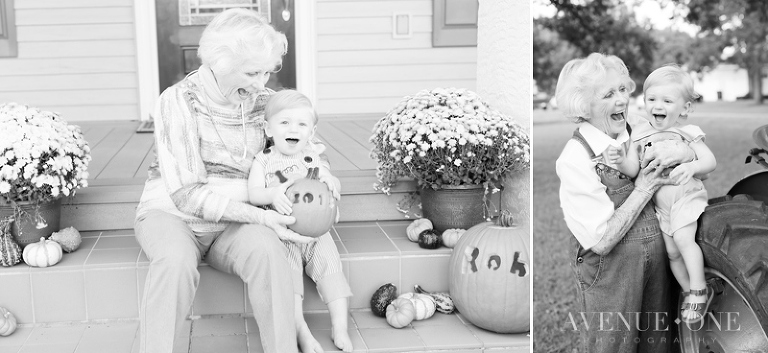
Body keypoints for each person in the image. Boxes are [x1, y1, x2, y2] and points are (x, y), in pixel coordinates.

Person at [134, 9, 319, 353]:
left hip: (233, 223)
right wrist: (263, 216)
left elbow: (301, 152)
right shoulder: (178, 100)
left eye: (266, 72)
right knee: (174, 261)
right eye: (251, 72)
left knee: (267, 250)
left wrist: (319, 184)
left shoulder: (264, 103)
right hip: (172, 215)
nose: (261, 84)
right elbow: (186, 195)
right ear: (218, 62)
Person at [554, 53, 696, 353]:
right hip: (612, 274)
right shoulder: (576, 157)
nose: (622, 100)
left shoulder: (640, 131)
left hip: (658, 265)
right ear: (584, 105)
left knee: (657, 346)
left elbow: (690, 147)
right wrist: (644, 188)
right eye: (608, 94)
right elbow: (601, 241)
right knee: (613, 346)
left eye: (623, 89)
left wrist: (685, 154)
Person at [248, 89, 353, 353]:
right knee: (289, 278)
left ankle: (339, 326)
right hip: (282, 232)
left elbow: (331, 181)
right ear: (268, 129)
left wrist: (331, 181)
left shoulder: (313, 156)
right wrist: (272, 193)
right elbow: (253, 193)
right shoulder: (264, 161)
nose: (293, 128)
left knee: (330, 265)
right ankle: (300, 330)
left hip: (317, 231)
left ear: (311, 132)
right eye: (284, 122)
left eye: (301, 124)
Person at [610, 64, 716, 324]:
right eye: (652, 99)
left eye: (668, 100)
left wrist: (691, 166)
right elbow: (635, 169)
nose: (658, 105)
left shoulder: (687, 133)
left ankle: (700, 290)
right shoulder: (640, 136)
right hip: (661, 207)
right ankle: (687, 291)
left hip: (685, 196)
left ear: (685, 108)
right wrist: (622, 160)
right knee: (671, 253)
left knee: (682, 239)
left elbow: (710, 161)